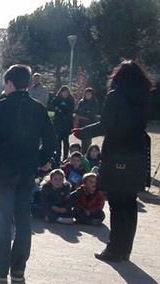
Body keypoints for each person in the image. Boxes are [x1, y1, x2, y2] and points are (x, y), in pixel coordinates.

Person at [0, 64, 55, 283]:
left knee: (1, 220)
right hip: (27, 170)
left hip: (3, 170)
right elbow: (51, 139)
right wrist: (40, 161)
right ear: (29, 84)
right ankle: (18, 268)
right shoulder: (38, 108)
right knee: (23, 219)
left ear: (9, 83)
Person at [73, 60, 152, 263]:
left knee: (117, 202)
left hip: (118, 152)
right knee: (129, 203)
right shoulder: (144, 97)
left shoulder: (116, 96)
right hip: (137, 151)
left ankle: (114, 248)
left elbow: (106, 124)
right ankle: (125, 248)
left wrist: (83, 133)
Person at [50, 86, 76, 163]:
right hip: (58, 123)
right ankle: (58, 157)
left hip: (66, 123)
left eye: (67, 92)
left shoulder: (70, 100)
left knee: (66, 141)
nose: (65, 94)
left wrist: (62, 110)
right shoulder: (57, 99)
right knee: (58, 141)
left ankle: (65, 157)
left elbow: (70, 111)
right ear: (61, 92)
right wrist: (57, 108)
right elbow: (52, 105)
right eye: (64, 92)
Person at [74, 88, 98, 152]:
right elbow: (78, 111)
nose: (88, 95)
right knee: (83, 140)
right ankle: (83, 153)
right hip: (82, 123)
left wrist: (85, 113)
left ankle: (88, 153)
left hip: (90, 123)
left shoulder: (94, 103)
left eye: (89, 94)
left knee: (88, 141)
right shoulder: (81, 102)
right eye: (86, 94)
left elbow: (92, 114)